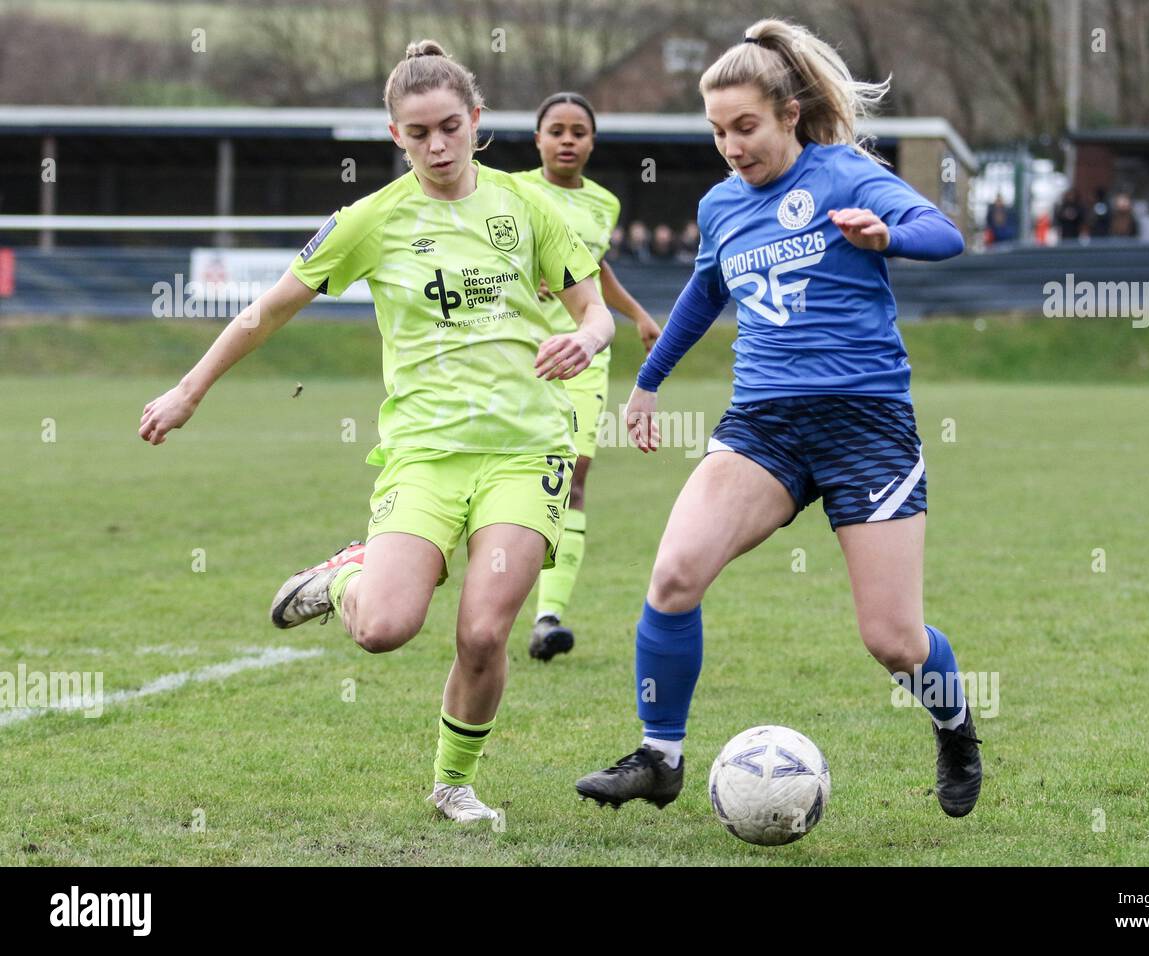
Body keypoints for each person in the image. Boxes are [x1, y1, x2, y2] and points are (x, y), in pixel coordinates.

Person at [137, 40, 614, 824]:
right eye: (417, 132)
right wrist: (190, 390)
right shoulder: (371, 221)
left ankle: (453, 784)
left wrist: (587, 340)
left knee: (486, 632)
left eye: (449, 127)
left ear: (478, 122)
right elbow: (268, 311)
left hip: (525, 450)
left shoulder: (532, 209)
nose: (436, 146)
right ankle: (343, 580)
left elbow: (592, 310)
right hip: (423, 456)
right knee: (386, 630)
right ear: (395, 134)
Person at [574, 18, 982, 819]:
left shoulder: (844, 174)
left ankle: (956, 725)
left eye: (746, 127)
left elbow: (946, 234)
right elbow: (703, 296)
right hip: (762, 426)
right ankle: (661, 756)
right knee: (673, 576)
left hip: (865, 423)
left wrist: (885, 232)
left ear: (790, 113)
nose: (732, 145)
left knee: (893, 641)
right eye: (718, 130)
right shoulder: (723, 205)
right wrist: (648, 382)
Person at [513, 91, 662, 661]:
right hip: (520, 353)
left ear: (592, 142)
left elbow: (594, 267)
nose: (568, 139)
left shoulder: (604, 203)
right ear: (538, 140)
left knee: (572, 478)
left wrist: (636, 312)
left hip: (585, 359)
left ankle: (548, 618)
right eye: (557, 130)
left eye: (579, 131)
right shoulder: (515, 191)